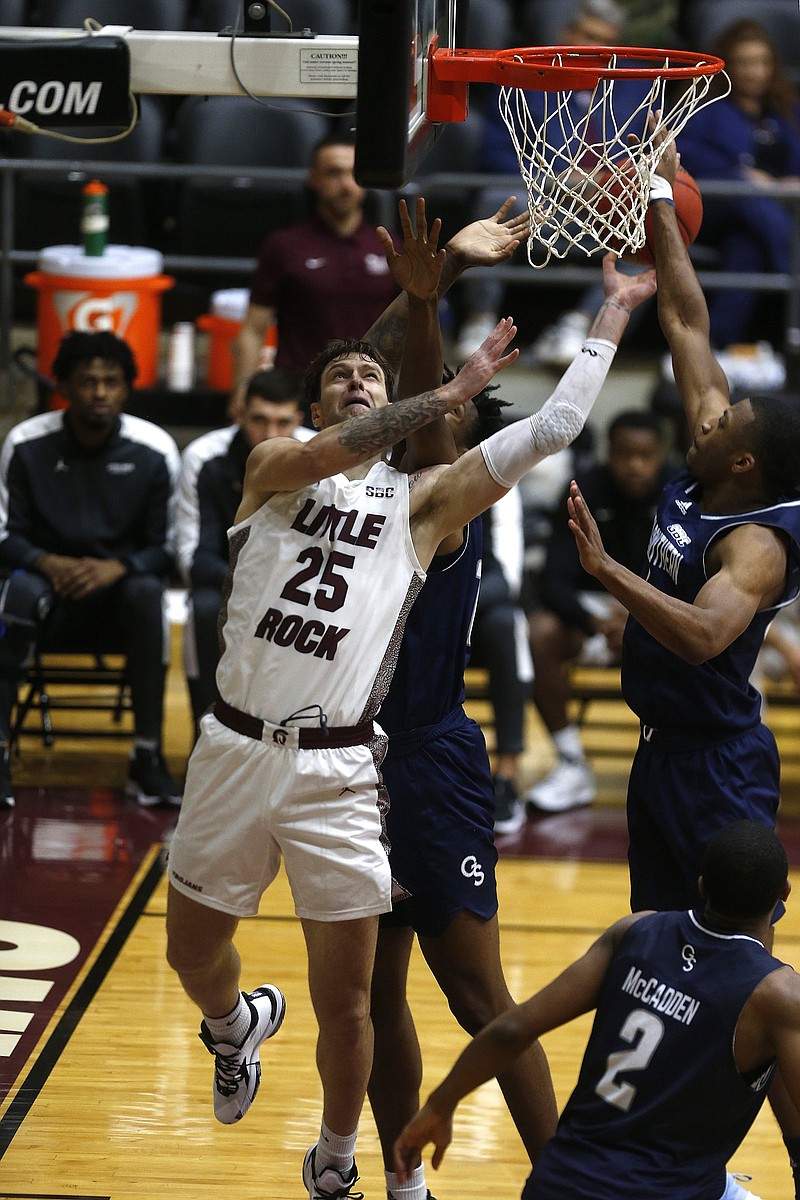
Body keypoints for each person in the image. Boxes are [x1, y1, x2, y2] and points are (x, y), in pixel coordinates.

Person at [164, 196, 656, 1200]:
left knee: (426, 991)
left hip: (383, 755)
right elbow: (366, 391)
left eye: (375, 379)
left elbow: (542, 421)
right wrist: (437, 332)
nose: (359, 383)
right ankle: (275, 1065)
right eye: (339, 377)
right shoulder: (272, 466)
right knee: (261, 971)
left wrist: (610, 315)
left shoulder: (428, 499)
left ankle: (391, 1166)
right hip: (245, 746)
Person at [566, 130, 800, 1193]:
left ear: (740, 461)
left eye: (724, 419)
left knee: (737, 979)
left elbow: (705, 635)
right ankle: (673, 1160)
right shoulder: (720, 449)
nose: (701, 411)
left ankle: (756, 1159)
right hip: (663, 758)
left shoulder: (752, 545)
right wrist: (656, 192)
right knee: (661, 962)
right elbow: (685, 312)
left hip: (717, 767)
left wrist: (603, 570)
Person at [394, 819, 797, 1200]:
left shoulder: (636, 931)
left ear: (702, 886)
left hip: (559, 1183)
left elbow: (509, 1031)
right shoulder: (777, 995)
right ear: (783, 894)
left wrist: (439, 1104)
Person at [0, 329, 182, 809]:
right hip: (45, 590)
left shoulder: (155, 448)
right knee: (14, 595)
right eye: (87, 381)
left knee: (147, 594)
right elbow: (6, 535)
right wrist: (46, 561)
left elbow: (166, 549)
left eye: (112, 382)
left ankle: (146, 758)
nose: (99, 392)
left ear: (127, 387)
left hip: (118, 596)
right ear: (63, 386)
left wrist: (116, 568)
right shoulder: (25, 443)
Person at [454, 0, 642, 365]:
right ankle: (479, 319)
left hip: (603, 200)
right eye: (588, 36)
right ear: (566, 35)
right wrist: (551, 178)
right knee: (498, 198)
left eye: (606, 42)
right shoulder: (526, 79)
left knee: (653, 220)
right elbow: (493, 154)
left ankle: (582, 325)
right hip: (535, 195)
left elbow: (646, 151)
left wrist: (611, 178)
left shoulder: (635, 87)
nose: (595, 49)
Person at [526, 410, 670, 814]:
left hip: (659, 611)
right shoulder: (583, 489)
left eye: (645, 456)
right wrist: (594, 622)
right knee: (538, 633)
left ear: (661, 455)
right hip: (594, 611)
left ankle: (676, 768)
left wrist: (640, 620)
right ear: (609, 453)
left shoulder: (680, 492)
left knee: (704, 637)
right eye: (625, 455)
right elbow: (552, 581)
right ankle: (571, 763)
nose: (635, 465)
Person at [174, 368, 313, 734]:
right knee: (202, 607)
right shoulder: (205, 458)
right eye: (259, 420)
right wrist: (257, 585)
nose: (270, 435)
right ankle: (203, 729)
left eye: (283, 423)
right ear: (240, 415)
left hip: (302, 590)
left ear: (298, 420)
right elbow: (194, 558)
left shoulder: (320, 459)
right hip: (227, 582)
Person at [231, 130, 399, 417]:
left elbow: (411, 327)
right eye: (334, 173)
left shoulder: (391, 246)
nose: (345, 184)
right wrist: (242, 392)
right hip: (297, 398)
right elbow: (252, 329)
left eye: (353, 173)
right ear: (314, 178)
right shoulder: (284, 245)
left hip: (370, 396)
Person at [676, 19, 800, 350]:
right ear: (729, 66)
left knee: (747, 250)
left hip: (770, 215)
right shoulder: (706, 108)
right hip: (719, 204)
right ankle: (793, 269)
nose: (754, 72)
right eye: (745, 63)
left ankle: (715, 346)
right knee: (750, 198)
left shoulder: (786, 112)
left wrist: (786, 182)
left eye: (762, 63)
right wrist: (744, 175)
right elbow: (687, 156)